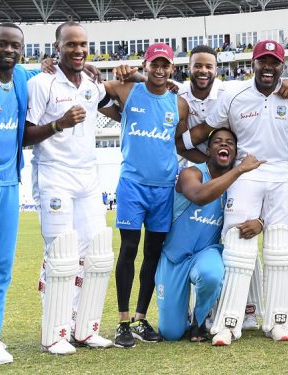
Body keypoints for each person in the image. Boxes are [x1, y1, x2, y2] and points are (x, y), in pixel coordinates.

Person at [179, 40, 288, 345]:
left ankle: (278, 321)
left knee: (280, 246)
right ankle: (228, 319)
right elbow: (204, 130)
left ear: (281, 66)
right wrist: (177, 142)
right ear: (253, 64)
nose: (268, 67)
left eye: (274, 62)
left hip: (281, 176)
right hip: (245, 174)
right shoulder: (235, 95)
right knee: (237, 242)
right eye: (262, 61)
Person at [24, 21, 119, 355]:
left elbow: (117, 97)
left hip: (88, 177)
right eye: (70, 44)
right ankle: (55, 331)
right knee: (61, 252)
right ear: (57, 47)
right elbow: (25, 135)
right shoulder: (41, 83)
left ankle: (85, 327)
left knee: (94, 252)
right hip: (54, 175)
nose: (78, 50)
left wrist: (132, 75)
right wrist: (58, 124)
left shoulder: (92, 82)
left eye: (83, 45)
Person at [103, 42, 190, 348]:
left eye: (165, 65)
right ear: (145, 65)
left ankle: (140, 318)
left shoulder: (179, 105)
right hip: (132, 185)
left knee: (152, 253)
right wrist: (131, 78)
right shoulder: (128, 91)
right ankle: (123, 321)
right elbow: (99, 91)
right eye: (154, 64)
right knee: (128, 249)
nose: (160, 69)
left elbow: (176, 140)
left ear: (172, 68)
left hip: (163, 188)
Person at [155, 128, 263, 341]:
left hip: (206, 252)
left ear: (235, 152)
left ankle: (199, 320)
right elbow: (200, 196)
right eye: (218, 142)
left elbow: (264, 208)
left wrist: (260, 222)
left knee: (211, 275)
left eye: (230, 143)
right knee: (171, 333)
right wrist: (239, 169)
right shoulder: (191, 173)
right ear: (208, 150)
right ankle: (179, 315)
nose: (224, 145)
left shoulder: (240, 185)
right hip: (174, 256)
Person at [0, 22, 39, 365]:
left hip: (9, 183)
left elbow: (53, 74)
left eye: (15, 45)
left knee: (2, 267)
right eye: (2, 44)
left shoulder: (21, 77)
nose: (9, 50)